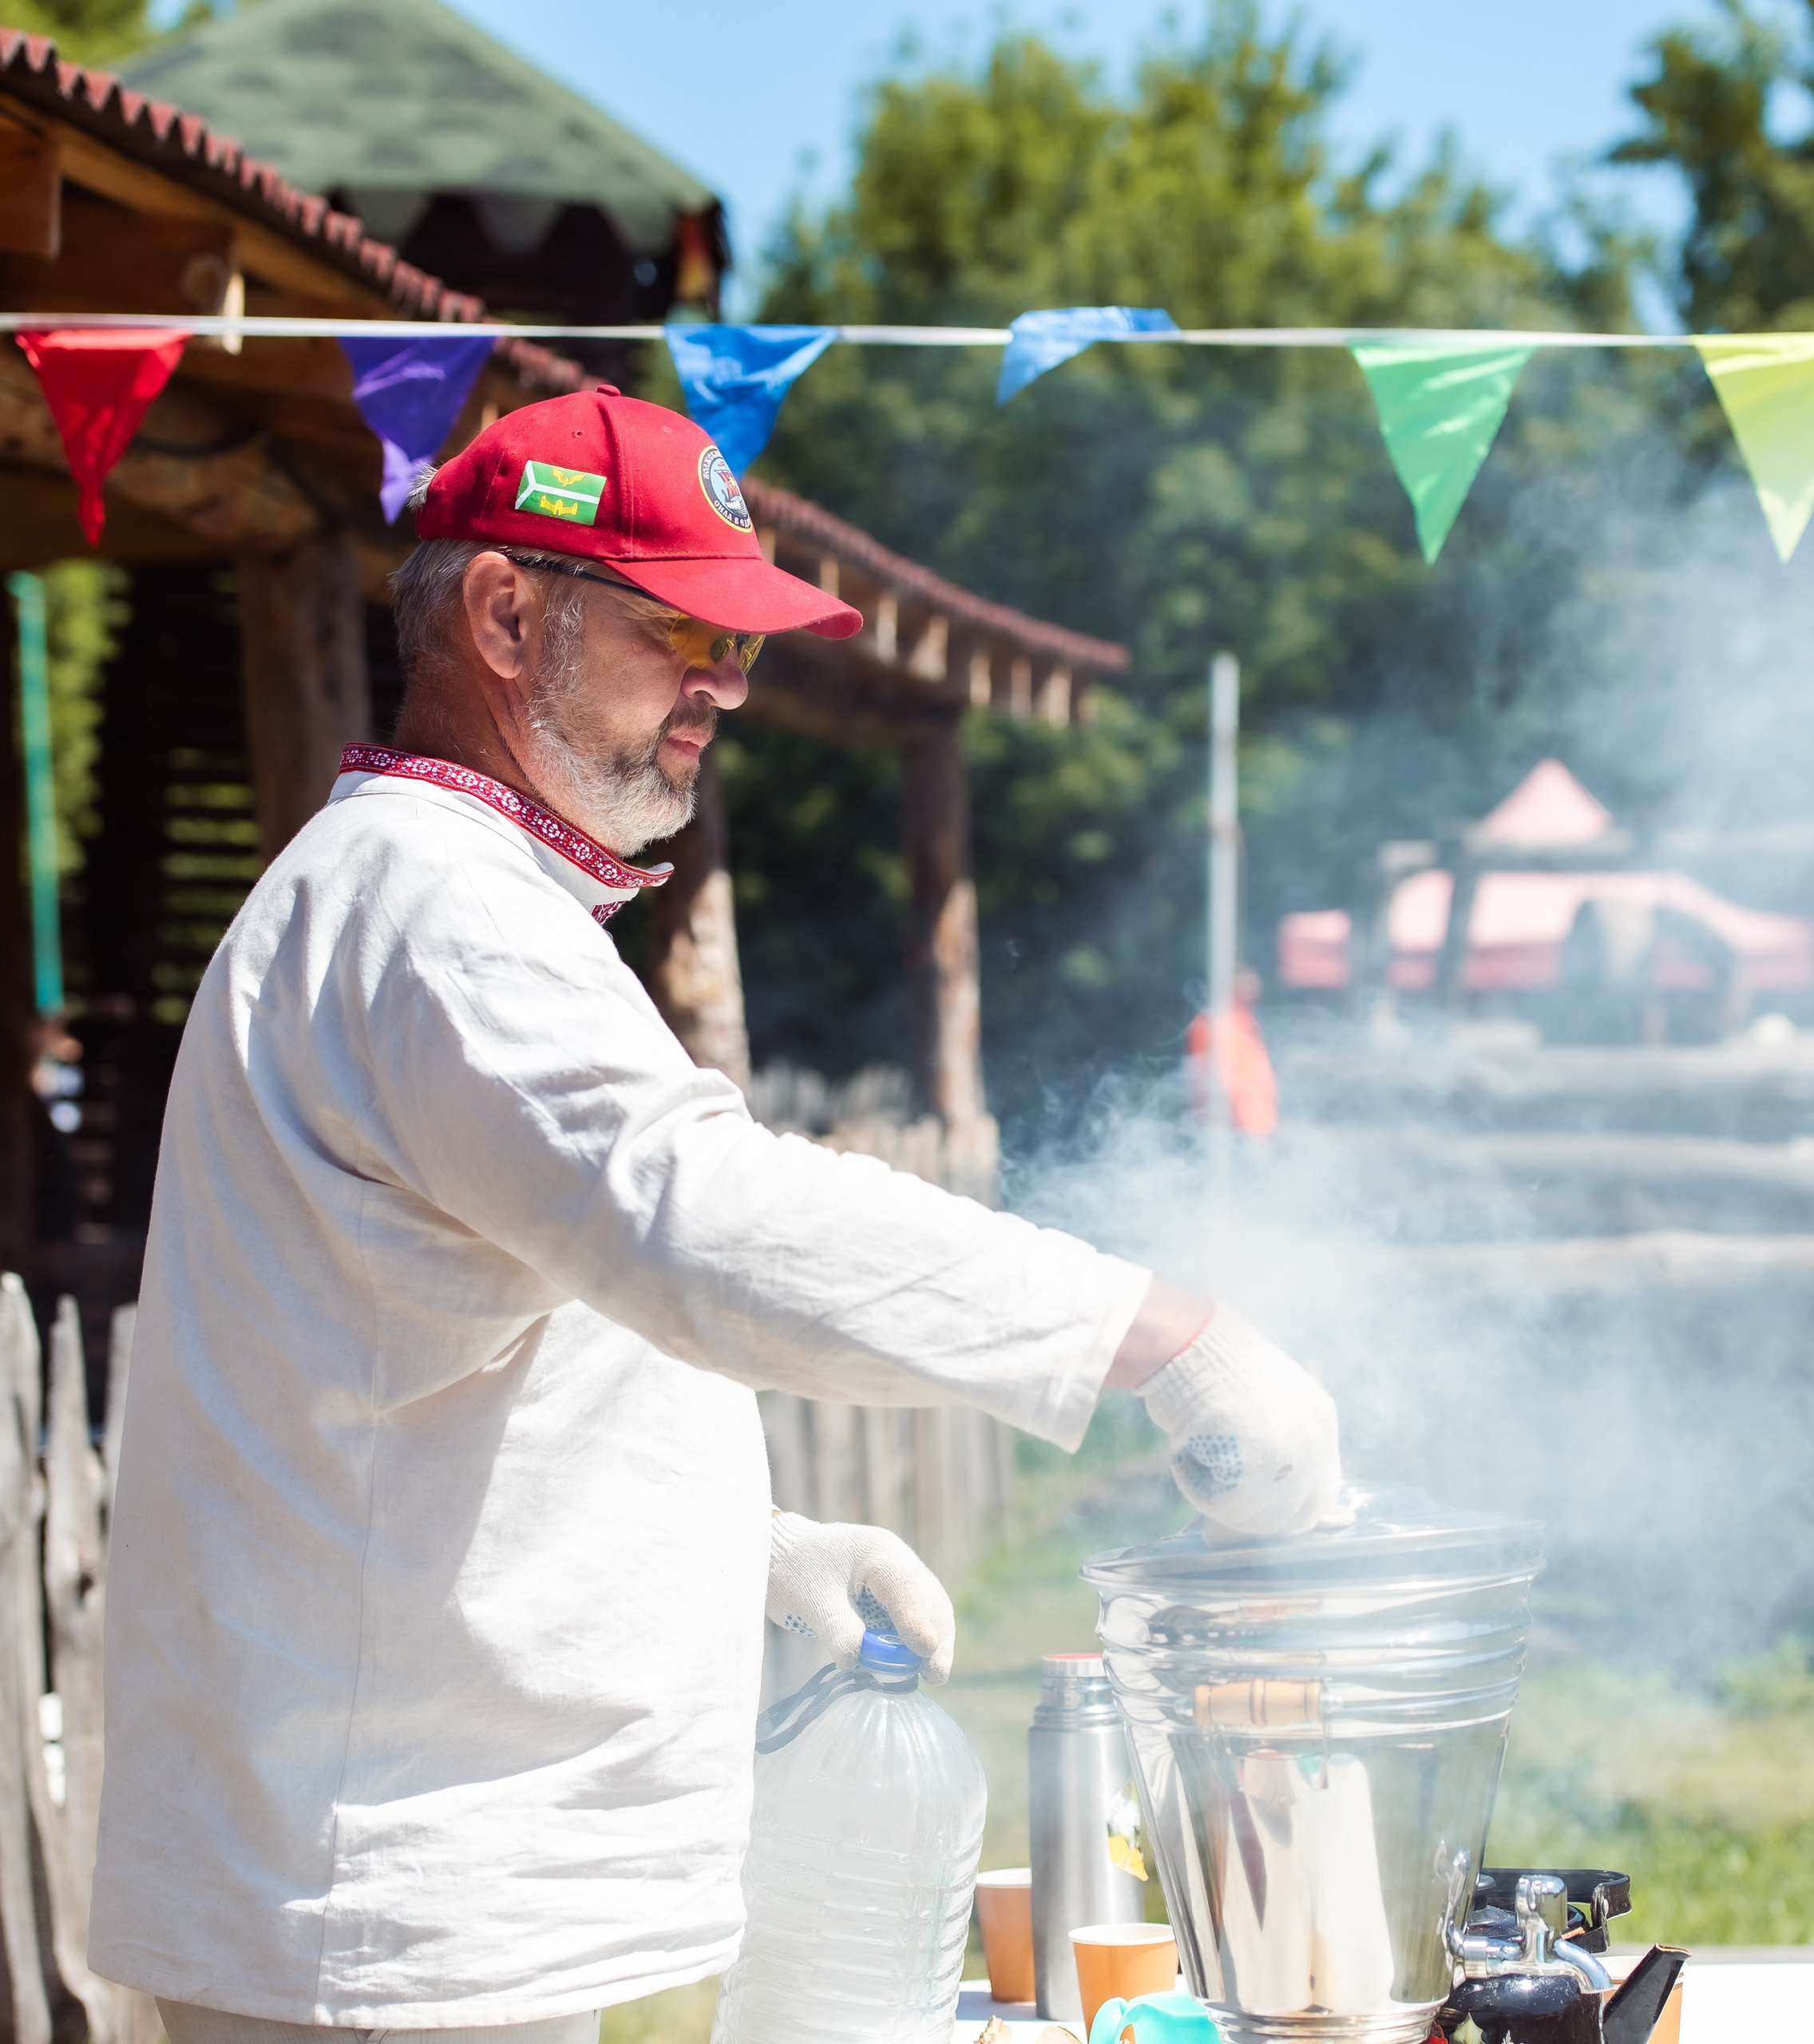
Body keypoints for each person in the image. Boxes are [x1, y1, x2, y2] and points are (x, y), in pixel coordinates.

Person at [89, 390, 1341, 2044]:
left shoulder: (431, 895)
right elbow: (695, 1219)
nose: (727, 687)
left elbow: (411, 1358)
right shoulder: (438, 910)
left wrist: (728, 1551)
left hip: (404, 1879)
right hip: (388, 1901)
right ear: (504, 610)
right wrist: (1155, 1335)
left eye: (740, 642)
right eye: (683, 627)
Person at [1186, 969, 1280, 1135]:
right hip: (1231, 1123)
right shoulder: (1215, 1023)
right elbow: (1210, 1073)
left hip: (1255, 1121)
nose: (1252, 1003)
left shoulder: (1245, 1024)